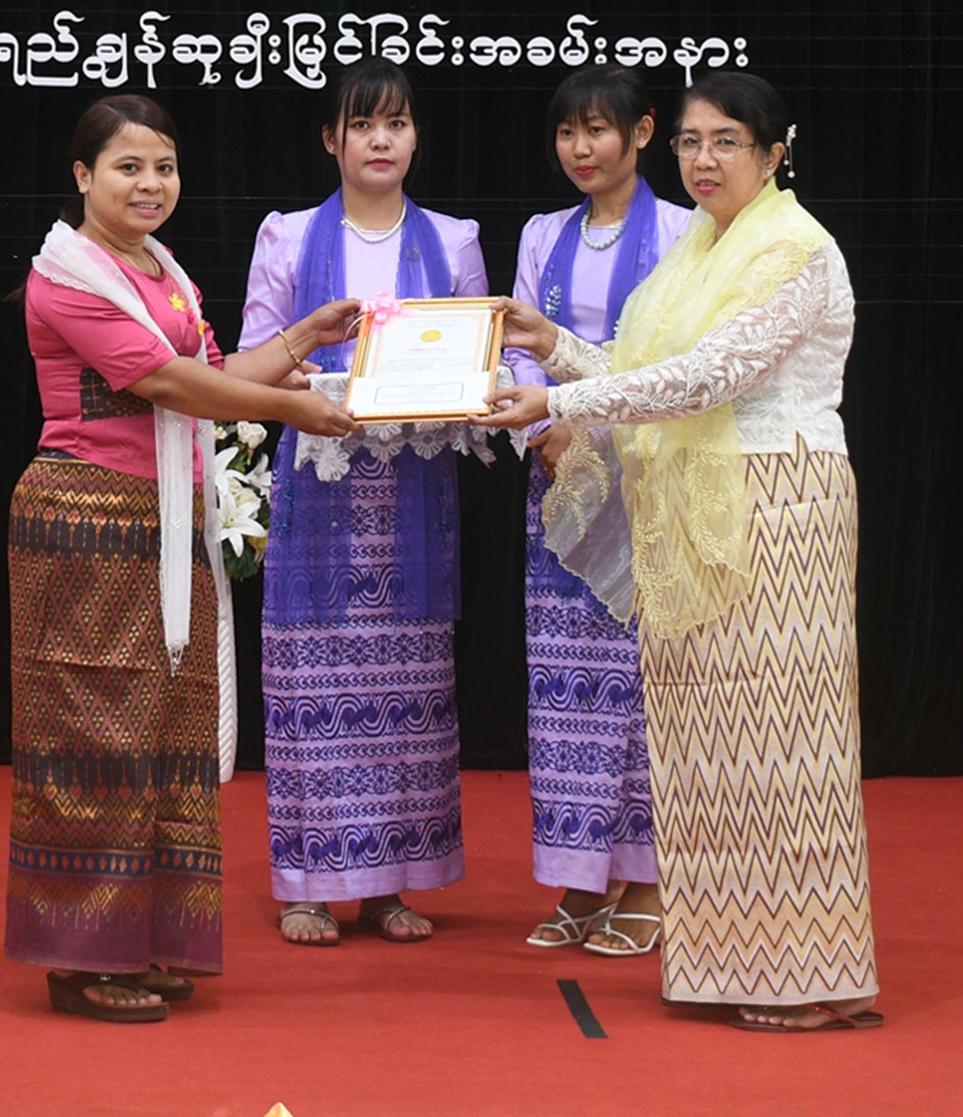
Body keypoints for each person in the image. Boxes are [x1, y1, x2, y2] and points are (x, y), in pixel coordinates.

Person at [478, 71, 878, 1033]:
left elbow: (707, 379)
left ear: (773, 153)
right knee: (708, 751)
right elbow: (643, 371)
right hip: (703, 517)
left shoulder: (793, 248)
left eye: (726, 142)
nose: (702, 160)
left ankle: (808, 976)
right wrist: (553, 345)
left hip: (779, 505)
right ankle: (729, 965)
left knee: (785, 745)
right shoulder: (698, 248)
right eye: (691, 142)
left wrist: (557, 398)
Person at [10, 94, 363, 1021]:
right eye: (127, 167)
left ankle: (141, 943)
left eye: (162, 167)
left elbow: (214, 371)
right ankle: (82, 960)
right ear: (82, 176)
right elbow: (170, 384)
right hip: (86, 524)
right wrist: (293, 406)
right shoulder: (64, 277)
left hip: (165, 528)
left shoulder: (161, 274)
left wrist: (306, 339)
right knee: (97, 737)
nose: (149, 184)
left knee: (164, 736)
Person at [238, 60, 488, 947]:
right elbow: (254, 357)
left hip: (412, 497)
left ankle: (388, 886)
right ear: (330, 139)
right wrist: (325, 382)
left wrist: (453, 388)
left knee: (407, 691)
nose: (380, 140)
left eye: (397, 124)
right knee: (310, 684)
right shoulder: (286, 236)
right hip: (317, 486)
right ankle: (308, 884)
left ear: (415, 137)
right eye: (362, 124)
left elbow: (479, 361)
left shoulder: (454, 240)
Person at [505, 67, 692, 957]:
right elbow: (516, 349)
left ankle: (648, 880)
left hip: (647, 481)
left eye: (597, 130)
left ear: (642, 133)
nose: (580, 149)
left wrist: (581, 415)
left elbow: (681, 357)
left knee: (643, 687)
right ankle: (580, 879)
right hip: (560, 483)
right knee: (565, 689)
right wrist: (539, 426)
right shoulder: (543, 233)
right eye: (566, 133)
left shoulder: (686, 233)